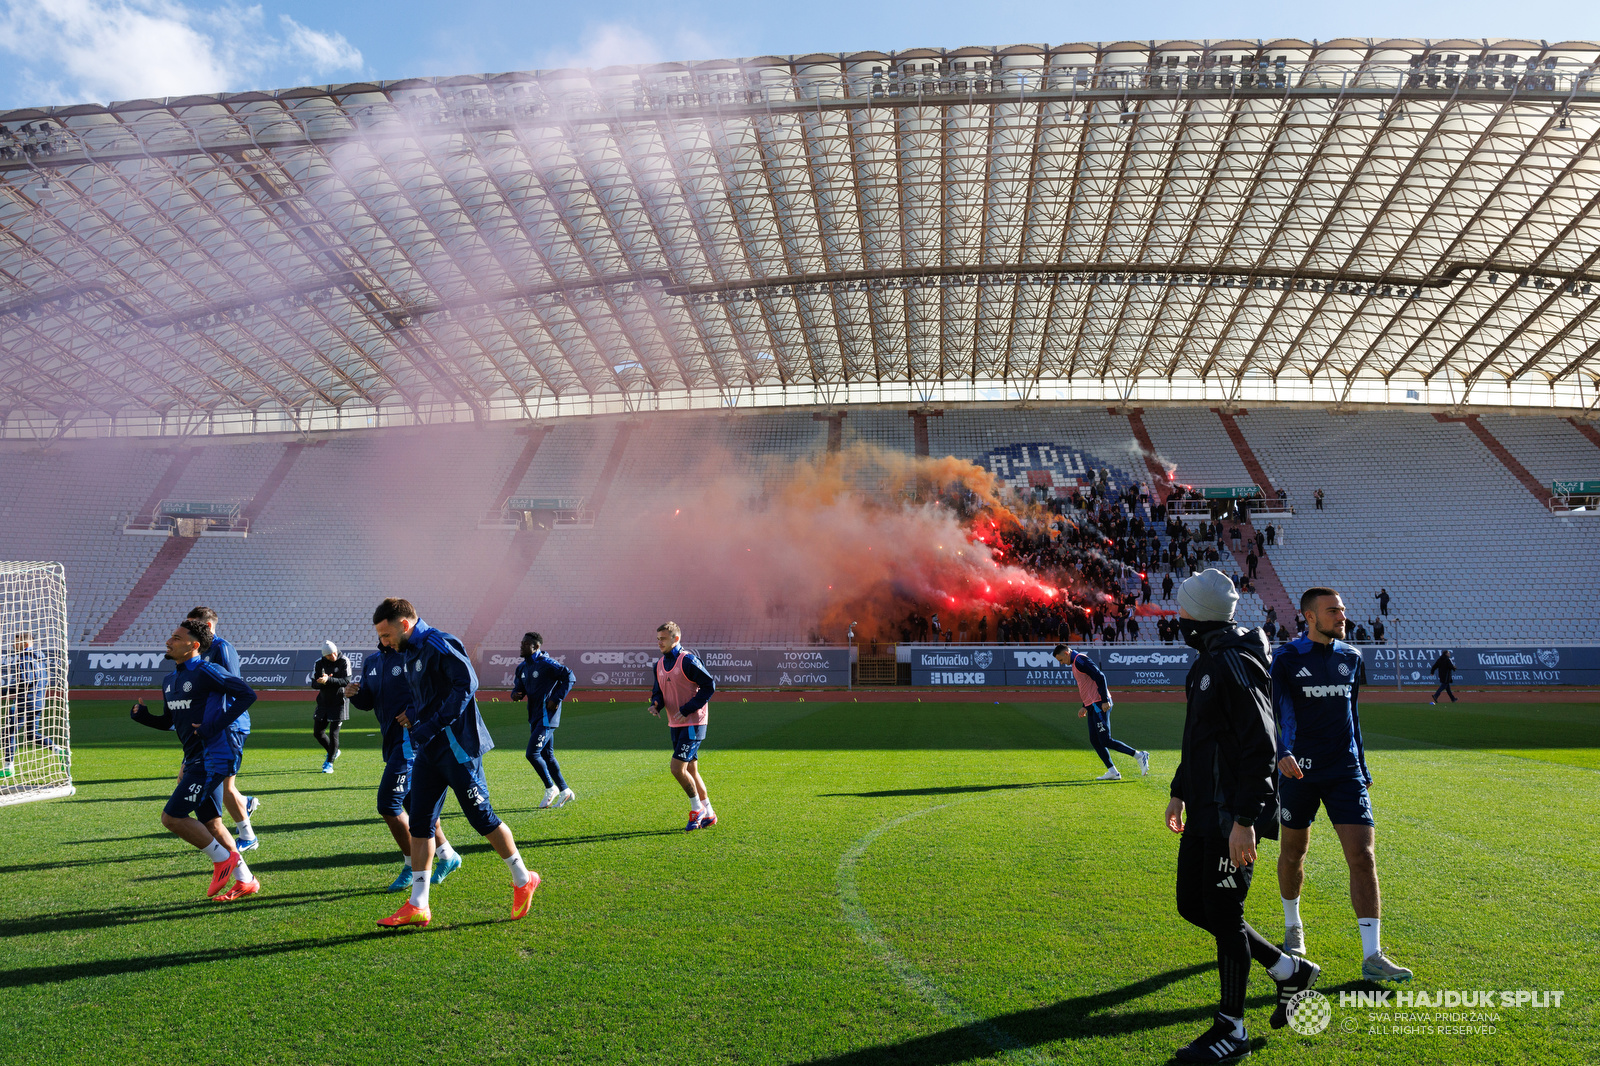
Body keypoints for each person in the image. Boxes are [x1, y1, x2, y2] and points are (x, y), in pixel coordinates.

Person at [1165, 570, 1318, 1062]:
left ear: (1201, 614)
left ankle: (1232, 1028)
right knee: (1193, 904)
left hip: (1233, 814)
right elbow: (1201, 740)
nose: (1178, 616)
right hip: (1206, 807)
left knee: (1225, 915)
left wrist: (1246, 820)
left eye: (1184, 608)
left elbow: (1261, 746)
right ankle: (1288, 971)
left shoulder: (1232, 661)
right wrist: (1178, 791)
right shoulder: (1209, 659)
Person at [370, 598, 539, 927]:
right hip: (429, 751)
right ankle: (418, 904)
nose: (383, 641)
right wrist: (418, 718)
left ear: (404, 624)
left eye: (386, 633)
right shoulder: (408, 651)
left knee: (481, 818)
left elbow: (467, 685)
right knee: (419, 823)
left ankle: (524, 878)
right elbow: (429, 695)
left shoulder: (440, 643)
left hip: (458, 748)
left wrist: (429, 725)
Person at [1272, 588, 1412, 984]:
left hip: (1345, 771)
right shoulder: (1285, 658)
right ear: (1309, 617)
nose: (1342, 616)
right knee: (1294, 852)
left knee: (1363, 856)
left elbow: (1353, 717)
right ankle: (1293, 926)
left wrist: (1362, 765)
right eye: (1333, 611)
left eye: (1343, 610)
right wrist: (1282, 751)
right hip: (1298, 771)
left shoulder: (1351, 656)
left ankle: (1373, 955)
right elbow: (1274, 710)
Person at [132, 620, 261, 902]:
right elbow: (170, 721)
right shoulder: (170, 680)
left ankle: (221, 860)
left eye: (176, 638)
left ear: (194, 645)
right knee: (212, 822)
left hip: (213, 756)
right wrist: (143, 717)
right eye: (170, 636)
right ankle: (246, 880)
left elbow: (246, 694)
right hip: (193, 757)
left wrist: (213, 726)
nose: (169, 641)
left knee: (173, 818)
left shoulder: (207, 670)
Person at [346, 636, 466, 892]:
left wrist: (413, 711)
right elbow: (368, 701)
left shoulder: (410, 657)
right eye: (380, 631)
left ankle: (412, 865)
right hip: (390, 741)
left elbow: (431, 691)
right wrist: (355, 694)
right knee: (415, 805)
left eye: (387, 630)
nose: (383, 635)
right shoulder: (372, 661)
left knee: (388, 804)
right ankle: (448, 855)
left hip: (410, 741)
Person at [186, 607, 259, 850]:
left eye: (192, 625)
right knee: (192, 779)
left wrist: (216, 724)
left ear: (206, 627)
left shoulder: (222, 649)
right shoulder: (197, 650)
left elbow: (235, 690)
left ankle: (248, 837)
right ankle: (243, 805)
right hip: (208, 728)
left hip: (226, 727)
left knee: (225, 787)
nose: (187, 630)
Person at [649, 621, 718, 831]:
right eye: (658, 638)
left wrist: (689, 707)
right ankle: (709, 813)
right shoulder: (659, 664)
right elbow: (658, 691)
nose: (659, 642)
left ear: (676, 639)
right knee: (691, 769)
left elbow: (709, 686)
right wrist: (656, 705)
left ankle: (696, 809)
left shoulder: (688, 660)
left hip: (693, 722)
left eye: (663, 638)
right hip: (675, 722)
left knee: (677, 768)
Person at [1053, 644, 1149, 781]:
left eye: (1061, 660)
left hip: (1099, 703)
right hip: (1092, 704)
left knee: (1105, 740)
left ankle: (1140, 756)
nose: (1061, 663)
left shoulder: (1080, 660)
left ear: (1066, 653)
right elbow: (1088, 684)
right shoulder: (1076, 662)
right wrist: (1084, 706)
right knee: (1094, 739)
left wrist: (1104, 700)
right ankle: (1113, 772)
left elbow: (1100, 676)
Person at [510, 631, 576, 809]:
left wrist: (556, 698)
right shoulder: (522, 668)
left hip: (547, 716)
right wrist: (515, 695)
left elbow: (569, 677)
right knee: (547, 755)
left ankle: (550, 787)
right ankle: (566, 790)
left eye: (525, 644)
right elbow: (518, 688)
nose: (521, 646)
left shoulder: (547, 664)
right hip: (534, 716)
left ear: (536, 647)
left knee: (532, 754)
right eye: (521, 643)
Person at [1, 630, 65, 779]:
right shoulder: (40, 657)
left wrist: (4, 691)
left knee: (9, 730)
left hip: (26, 701)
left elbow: (26, 681)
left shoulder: (23, 658)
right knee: (31, 734)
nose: (13, 645)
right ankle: (58, 750)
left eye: (15, 641)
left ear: (24, 643)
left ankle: (8, 766)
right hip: (38, 701)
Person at [310, 640, 351, 773]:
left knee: (333, 733)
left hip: (339, 702)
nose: (333, 657)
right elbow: (314, 684)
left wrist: (329, 680)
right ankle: (333, 751)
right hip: (323, 702)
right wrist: (322, 682)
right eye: (329, 655)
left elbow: (346, 681)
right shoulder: (318, 663)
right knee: (318, 732)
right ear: (324, 656)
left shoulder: (344, 660)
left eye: (334, 654)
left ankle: (329, 763)